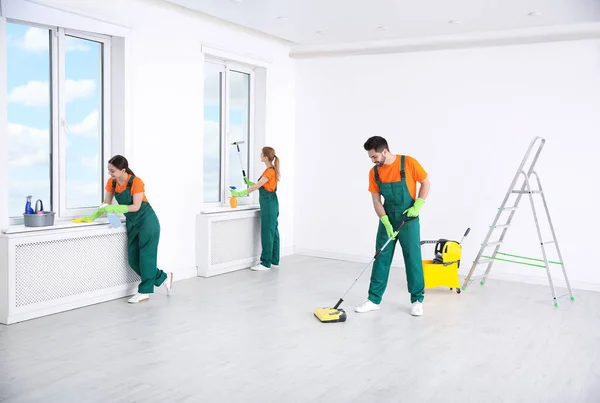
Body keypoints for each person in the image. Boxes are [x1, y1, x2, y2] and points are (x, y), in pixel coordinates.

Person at [78, 155, 173, 303]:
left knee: (146, 257)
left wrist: (114, 208)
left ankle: (145, 291)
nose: (110, 173)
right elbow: (106, 203)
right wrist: (93, 216)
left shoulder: (136, 182)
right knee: (133, 260)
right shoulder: (112, 182)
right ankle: (163, 277)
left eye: (113, 171)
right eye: (109, 170)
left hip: (147, 221)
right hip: (132, 222)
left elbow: (136, 206)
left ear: (123, 170)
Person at [355, 136, 430, 316]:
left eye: (374, 157)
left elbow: (426, 182)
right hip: (388, 217)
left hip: (409, 218)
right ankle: (373, 300)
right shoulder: (374, 173)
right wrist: (385, 220)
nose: (373, 161)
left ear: (385, 151)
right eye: (371, 158)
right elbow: (376, 199)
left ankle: (417, 300)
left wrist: (418, 204)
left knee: (412, 258)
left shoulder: (408, 163)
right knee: (381, 257)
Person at [230, 147, 280, 271]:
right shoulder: (271, 170)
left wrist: (239, 194)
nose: (260, 155)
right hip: (272, 203)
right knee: (273, 231)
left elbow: (258, 186)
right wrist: (250, 182)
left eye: (261, 154)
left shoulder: (269, 171)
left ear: (266, 157)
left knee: (267, 232)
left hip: (268, 204)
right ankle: (274, 260)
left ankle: (265, 263)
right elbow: (263, 185)